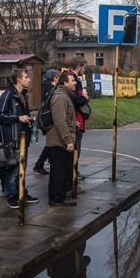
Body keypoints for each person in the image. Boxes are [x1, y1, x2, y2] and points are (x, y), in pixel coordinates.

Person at [0, 69, 38, 209]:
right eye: (26, 77)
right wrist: (18, 118)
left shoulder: (23, 95)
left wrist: (28, 119)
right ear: (18, 79)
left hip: (23, 136)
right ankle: (11, 195)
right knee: (13, 168)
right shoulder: (8, 95)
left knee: (22, 167)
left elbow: (22, 114)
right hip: (12, 137)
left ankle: (21, 193)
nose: (29, 80)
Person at [46, 72, 77, 207]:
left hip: (60, 140)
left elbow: (65, 118)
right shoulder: (60, 97)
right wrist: (68, 140)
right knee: (59, 170)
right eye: (72, 80)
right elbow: (59, 120)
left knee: (60, 169)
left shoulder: (64, 96)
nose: (75, 82)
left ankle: (57, 196)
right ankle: (57, 198)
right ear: (65, 83)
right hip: (59, 142)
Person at [65, 57, 89, 179]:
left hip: (77, 118)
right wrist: (84, 98)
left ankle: (73, 170)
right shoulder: (71, 78)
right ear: (79, 67)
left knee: (76, 145)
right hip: (75, 118)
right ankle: (72, 172)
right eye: (83, 67)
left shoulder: (73, 78)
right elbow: (75, 99)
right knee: (75, 146)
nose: (84, 70)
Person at [32, 69, 59, 176]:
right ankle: (39, 164)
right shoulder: (51, 89)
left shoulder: (49, 88)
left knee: (50, 144)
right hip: (49, 119)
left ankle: (41, 164)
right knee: (50, 144)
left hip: (48, 118)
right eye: (57, 77)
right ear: (54, 78)